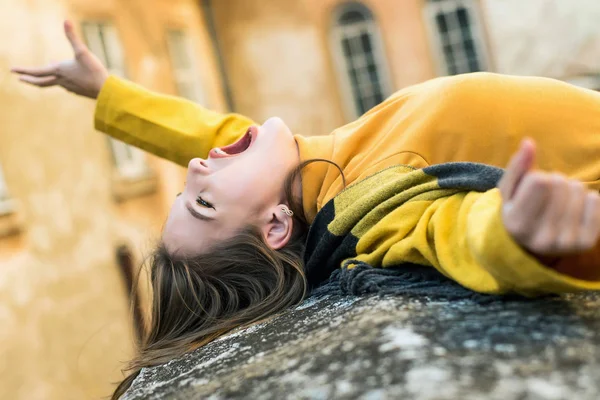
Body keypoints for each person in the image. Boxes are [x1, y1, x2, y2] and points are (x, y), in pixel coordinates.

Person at [12, 21, 600, 399]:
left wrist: (107, 92)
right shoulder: (363, 211)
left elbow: (207, 134)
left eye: (185, 190)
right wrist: (520, 234)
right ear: (275, 225)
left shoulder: (321, 163)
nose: (194, 167)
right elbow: (451, 234)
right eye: (204, 202)